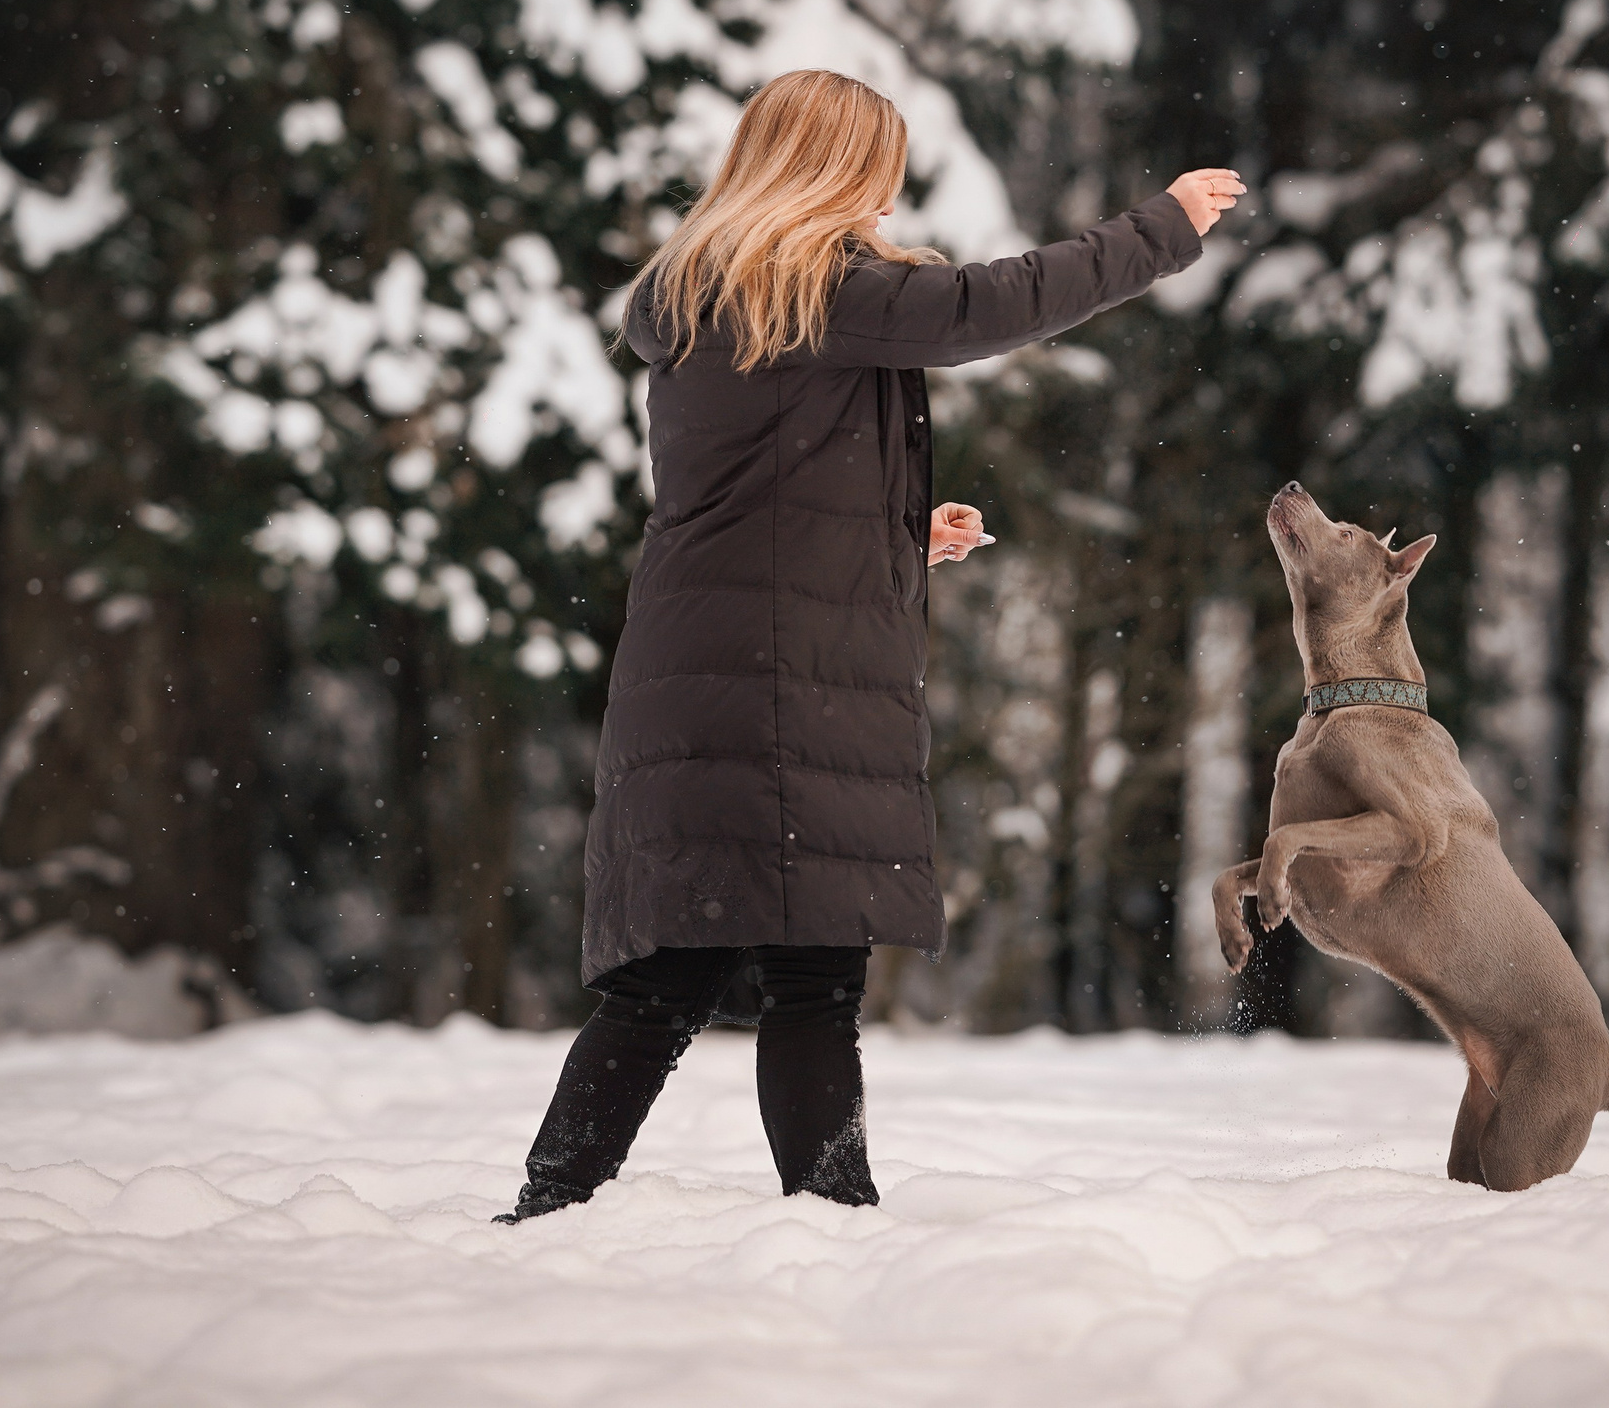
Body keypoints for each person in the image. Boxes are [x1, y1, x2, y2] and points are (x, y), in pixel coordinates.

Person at [496, 69, 1244, 1221]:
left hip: (714, 661)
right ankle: (822, 1214)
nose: (889, 196)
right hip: (777, 682)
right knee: (801, 969)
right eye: (878, 170)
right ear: (833, 170)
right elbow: (991, 305)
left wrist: (896, 531)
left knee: (679, 968)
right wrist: (1162, 226)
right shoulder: (805, 281)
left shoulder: (712, 291)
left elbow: (759, 493)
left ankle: (563, 1201)